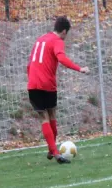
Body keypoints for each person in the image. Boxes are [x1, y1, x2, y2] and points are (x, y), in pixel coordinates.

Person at [27, 16, 89, 164]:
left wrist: (31, 78)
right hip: (47, 83)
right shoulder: (57, 41)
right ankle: (55, 153)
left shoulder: (41, 38)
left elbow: (29, 63)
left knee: (44, 118)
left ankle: (52, 149)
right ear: (63, 31)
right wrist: (79, 69)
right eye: (66, 34)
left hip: (33, 83)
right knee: (52, 115)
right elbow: (61, 58)